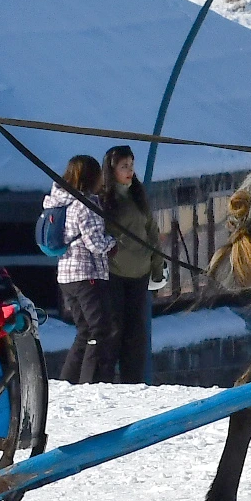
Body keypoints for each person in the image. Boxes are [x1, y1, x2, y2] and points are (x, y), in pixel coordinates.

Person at [44, 155, 118, 384]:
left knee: (84, 329)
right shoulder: (86, 205)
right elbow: (95, 244)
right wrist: (114, 243)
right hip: (87, 274)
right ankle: (91, 381)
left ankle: (68, 380)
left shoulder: (58, 201)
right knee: (100, 329)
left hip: (66, 275)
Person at [102, 145, 159, 383]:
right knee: (115, 329)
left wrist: (157, 266)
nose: (130, 171)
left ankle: (132, 381)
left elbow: (152, 232)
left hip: (140, 272)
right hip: (114, 272)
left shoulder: (138, 194)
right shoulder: (104, 198)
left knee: (136, 333)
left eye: (132, 166)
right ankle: (105, 380)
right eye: (124, 166)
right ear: (112, 169)